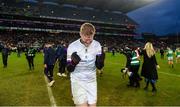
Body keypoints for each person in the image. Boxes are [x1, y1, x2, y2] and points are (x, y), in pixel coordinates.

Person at [66, 23, 103, 106]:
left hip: (92, 81)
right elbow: (68, 69)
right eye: (86, 36)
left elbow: (99, 66)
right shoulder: (72, 47)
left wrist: (101, 61)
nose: (88, 39)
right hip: (77, 81)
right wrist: (73, 63)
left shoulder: (97, 45)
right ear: (80, 34)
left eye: (91, 36)